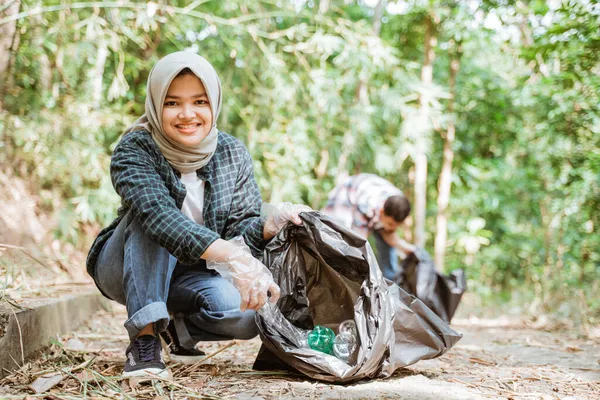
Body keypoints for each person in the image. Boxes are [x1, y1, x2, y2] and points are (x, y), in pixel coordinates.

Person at [86, 52, 308, 379]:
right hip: (125, 267)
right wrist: (231, 254)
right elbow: (157, 216)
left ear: (214, 103)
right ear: (156, 103)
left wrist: (266, 226)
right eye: (172, 103)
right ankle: (144, 341)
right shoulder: (135, 149)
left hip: (193, 275)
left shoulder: (232, 154)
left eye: (200, 101)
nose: (187, 114)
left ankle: (179, 332)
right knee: (156, 221)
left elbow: (240, 230)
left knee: (247, 314)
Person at [321, 173, 415, 280]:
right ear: (382, 212)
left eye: (395, 226)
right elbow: (359, 241)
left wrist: (411, 251)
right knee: (341, 240)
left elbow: (391, 238)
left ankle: (390, 281)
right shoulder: (366, 204)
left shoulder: (400, 204)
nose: (391, 228)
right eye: (390, 224)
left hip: (374, 202)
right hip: (350, 194)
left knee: (387, 246)